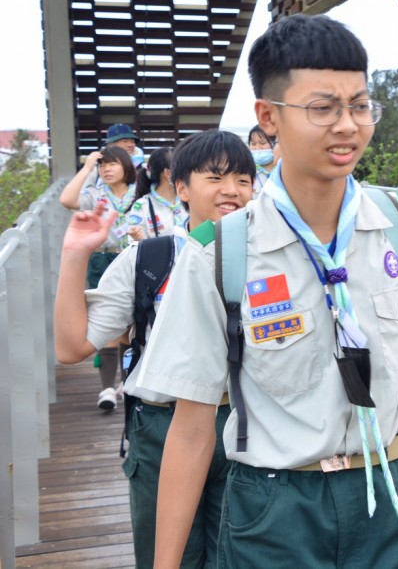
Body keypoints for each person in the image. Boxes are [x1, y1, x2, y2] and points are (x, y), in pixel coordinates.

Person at [133, 14, 398, 569]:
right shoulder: (221, 253)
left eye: (360, 104)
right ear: (269, 117)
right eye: (322, 108)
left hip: (392, 497)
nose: (347, 125)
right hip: (273, 511)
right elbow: (192, 427)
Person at [53, 129, 255, 568]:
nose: (232, 191)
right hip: (162, 429)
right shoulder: (150, 259)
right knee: (168, 557)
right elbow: (72, 347)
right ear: (180, 187)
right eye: (216, 178)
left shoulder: (269, 255)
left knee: (241, 558)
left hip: (245, 426)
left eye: (243, 179)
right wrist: (75, 256)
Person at [59, 144, 137, 409]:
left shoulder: (140, 193)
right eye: (103, 165)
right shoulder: (96, 194)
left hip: (133, 257)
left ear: (127, 165)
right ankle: (106, 389)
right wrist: (87, 167)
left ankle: (127, 381)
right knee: (107, 322)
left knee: (132, 325)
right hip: (103, 258)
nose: (106, 169)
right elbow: (67, 200)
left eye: (112, 163)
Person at [126, 146, 187, 240]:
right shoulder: (143, 206)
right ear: (168, 173)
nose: (188, 173)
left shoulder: (190, 199)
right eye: (182, 169)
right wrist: (139, 239)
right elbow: (135, 246)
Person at [247, 124, 276, 194]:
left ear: (274, 143)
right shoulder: (247, 172)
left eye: (263, 143)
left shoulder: (284, 170)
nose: (257, 148)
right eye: (253, 144)